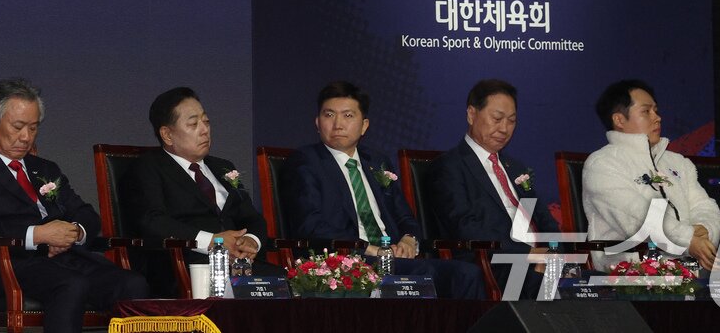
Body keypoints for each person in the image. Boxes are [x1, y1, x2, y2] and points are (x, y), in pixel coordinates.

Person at [0, 78, 148, 333]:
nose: (26, 137)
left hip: (64, 258)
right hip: (6, 264)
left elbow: (86, 214)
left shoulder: (45, 169)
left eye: (33, 128)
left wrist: (74, 232)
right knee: (71, 284)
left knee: (131, 283)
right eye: (18, 127)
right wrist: (40, 235)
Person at [282, 81, 486, 299]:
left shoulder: (376, 161)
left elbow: (404, 216)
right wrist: (368, 248)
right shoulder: (305, 162)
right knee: (430, 274)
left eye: (348, 116)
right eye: (329, 115)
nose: (338, 124)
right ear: (317, 122)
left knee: (466, 274)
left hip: (392, 259)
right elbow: (310, 226)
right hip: (347, 261)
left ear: (364, 125)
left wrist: (408, 239)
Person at [120, 87, 280, 296]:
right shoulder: (148, 168)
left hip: (241, 266)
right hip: (189, 267)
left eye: (206, 121)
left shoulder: (223, 167)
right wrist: (213, 242)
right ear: (167, 134)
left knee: (289, 287)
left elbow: (252, 217)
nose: (205, 130)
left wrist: (250, 241)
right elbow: (153, 221)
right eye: (193, 124)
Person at [426, 79, 559, 298]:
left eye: (512, 121)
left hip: (537, 262)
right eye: (497, 119)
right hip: (492, 265)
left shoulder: (516, 168)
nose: (504, 129)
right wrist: (529, 254)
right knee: (552, 288)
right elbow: (465, 227)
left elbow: (544, 220)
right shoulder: (449, 167)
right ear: (471, 114)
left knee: (591, 285)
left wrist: (556, 252)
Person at [582, 79, 720, 272]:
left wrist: (705, 230)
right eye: (646, 111)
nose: (657, 117)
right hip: (632, 275)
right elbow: (639, 220)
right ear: (619, 120)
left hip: (690, 269)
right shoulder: (602, 164)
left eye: (656, 110)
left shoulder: (678, 162)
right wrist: (688, 240)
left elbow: (704, 206)